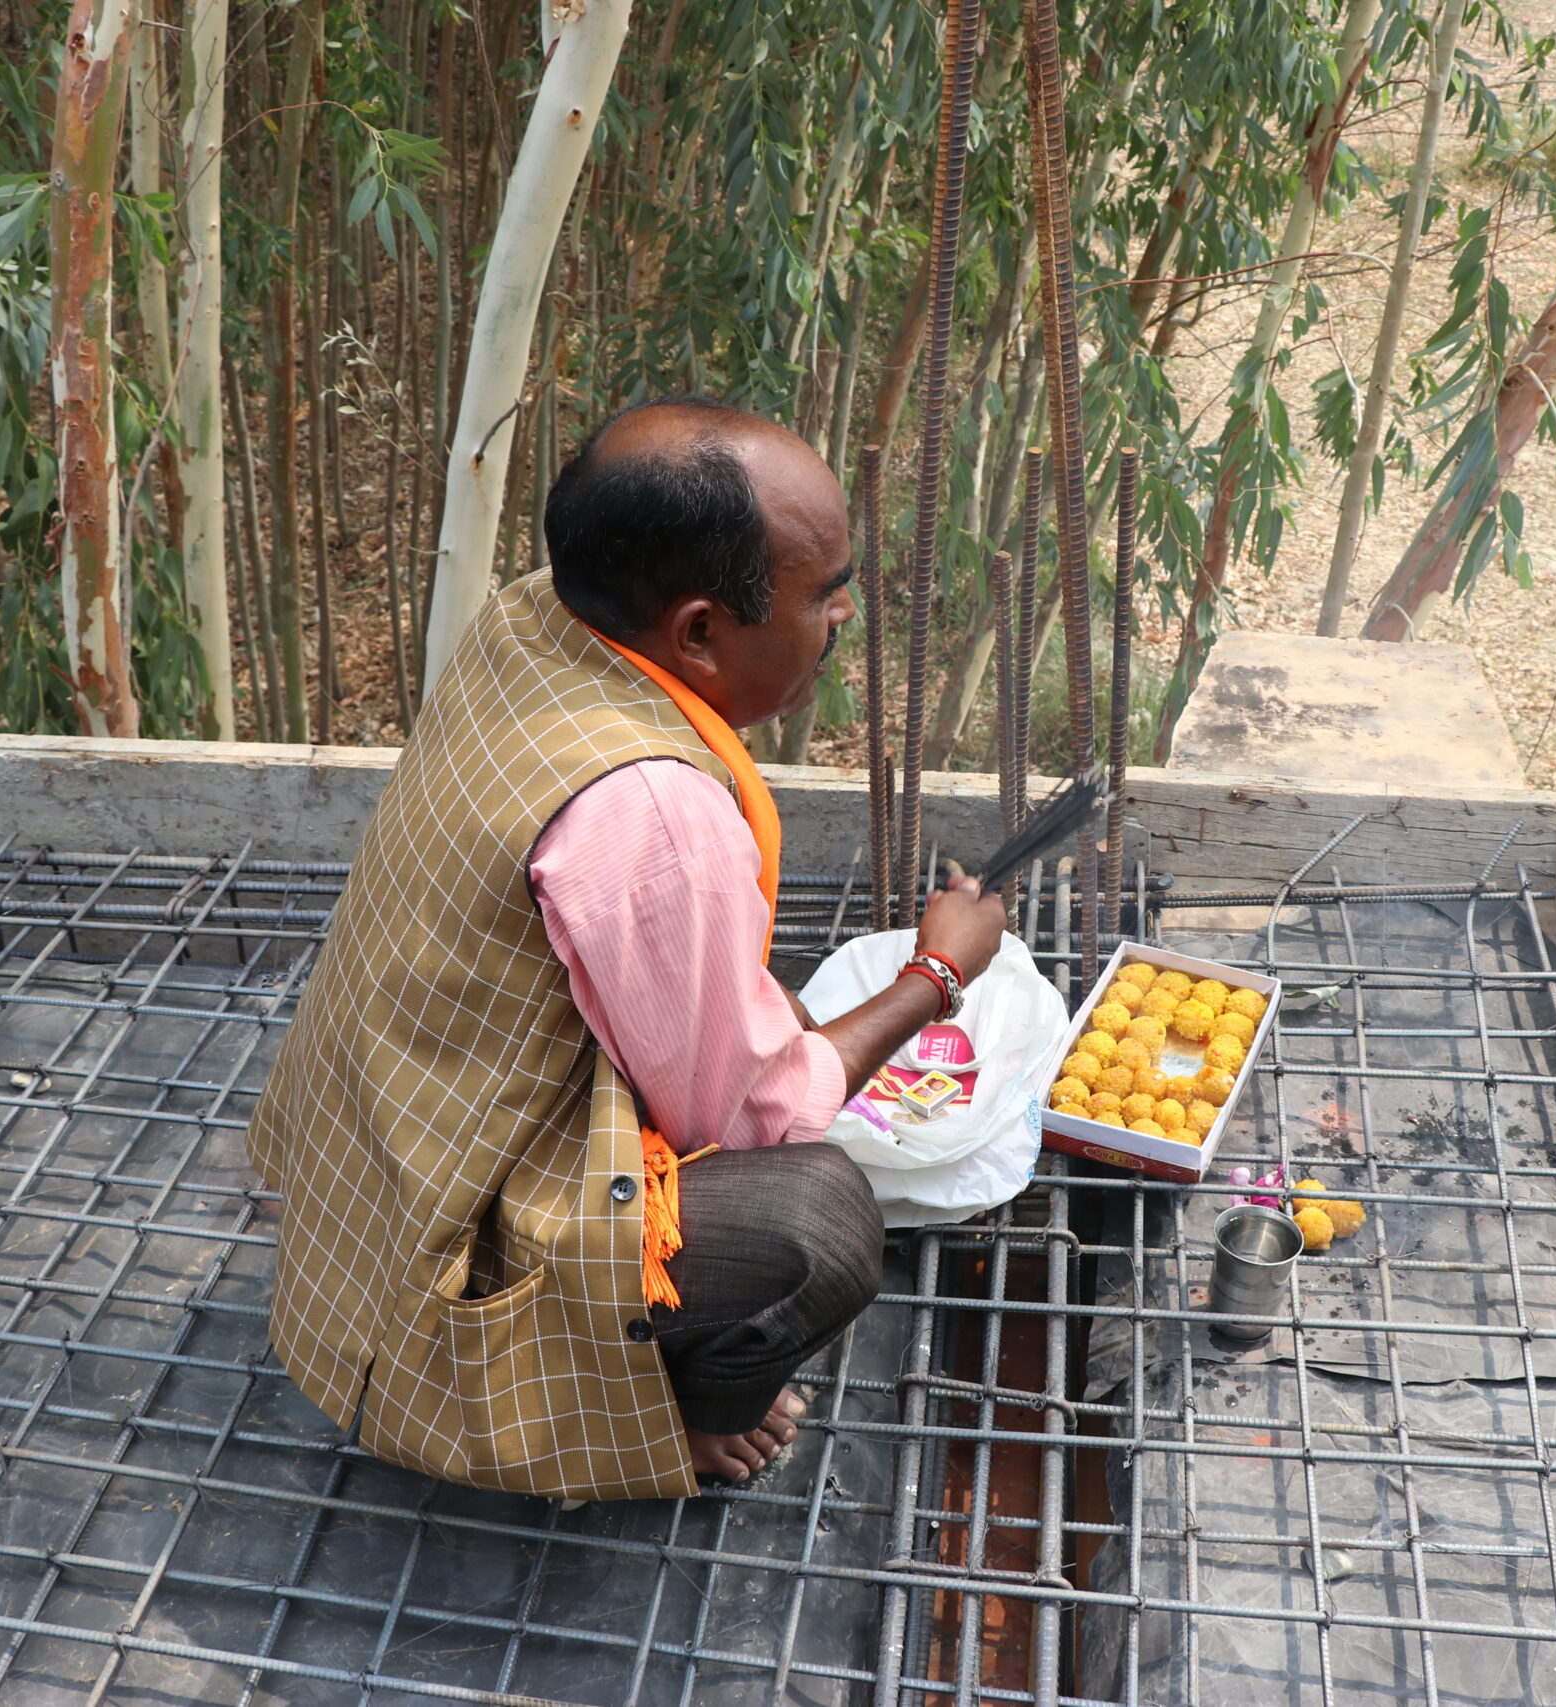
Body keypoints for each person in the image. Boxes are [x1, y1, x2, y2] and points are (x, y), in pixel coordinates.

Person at [248, 398, 1008, 1499]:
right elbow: (745, 1115)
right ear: (697, 632)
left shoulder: (533, 620)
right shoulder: (651, 811)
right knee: (821, 1222)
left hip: (357, 1196)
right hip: (429, 1288)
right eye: (825, 593)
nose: (842, 618)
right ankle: (679, 1420)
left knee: (767, 1036)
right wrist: (935, 978)